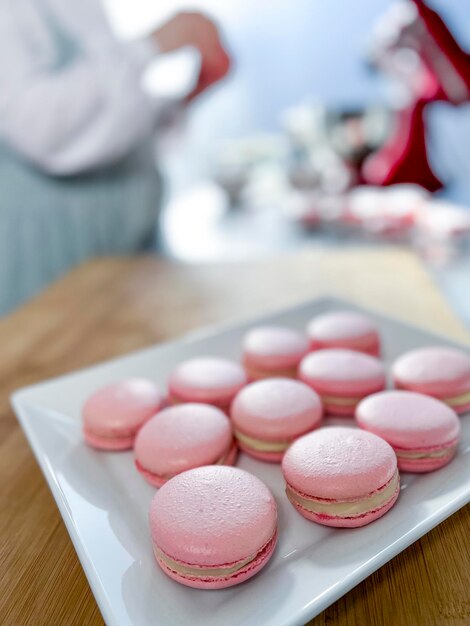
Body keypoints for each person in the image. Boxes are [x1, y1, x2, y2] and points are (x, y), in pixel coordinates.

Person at [0, 1, 230, 314]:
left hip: (126, 244)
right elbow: (40, 128)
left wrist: (183, 99)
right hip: (50, 260)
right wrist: (151, 45)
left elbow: (105, 123)